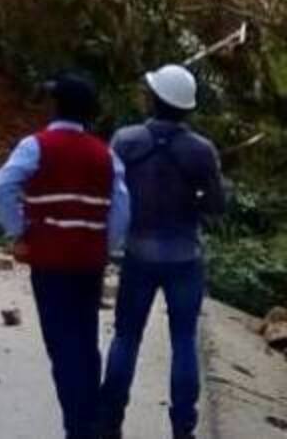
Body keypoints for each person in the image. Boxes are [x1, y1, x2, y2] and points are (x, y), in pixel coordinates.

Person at [0, 71, 130, 439]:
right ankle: (93, 418)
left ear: (56, 106)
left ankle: (80, 426)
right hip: (88, 262)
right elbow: (122, 210)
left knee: (61, 344)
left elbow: (3, 187)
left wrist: (20, 232)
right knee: (85, 341)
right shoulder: (106, 155)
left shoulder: (35, 146)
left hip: (49, 261)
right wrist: (103, 244)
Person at [98, 64, 226, 439]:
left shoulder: (125, 140)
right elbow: (217, 206)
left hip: (137, 252)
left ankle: (110, 420)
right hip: (184, 256)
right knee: (184, 340)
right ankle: (182, 426)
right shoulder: (201, 151)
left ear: (154, 99)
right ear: (187, 108)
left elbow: (110, 194)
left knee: (126, 336)